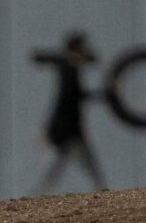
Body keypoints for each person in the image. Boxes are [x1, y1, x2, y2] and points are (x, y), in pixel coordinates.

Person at [34, 32, 108, 195]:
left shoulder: (70, 64)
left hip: (70, 129)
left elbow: (92, 59)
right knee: (51, 173)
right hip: (62, 130)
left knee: (88, 168)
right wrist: (102, 94)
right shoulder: (68, 67)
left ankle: (105, 196)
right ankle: (33, 203)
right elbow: (72, 94)